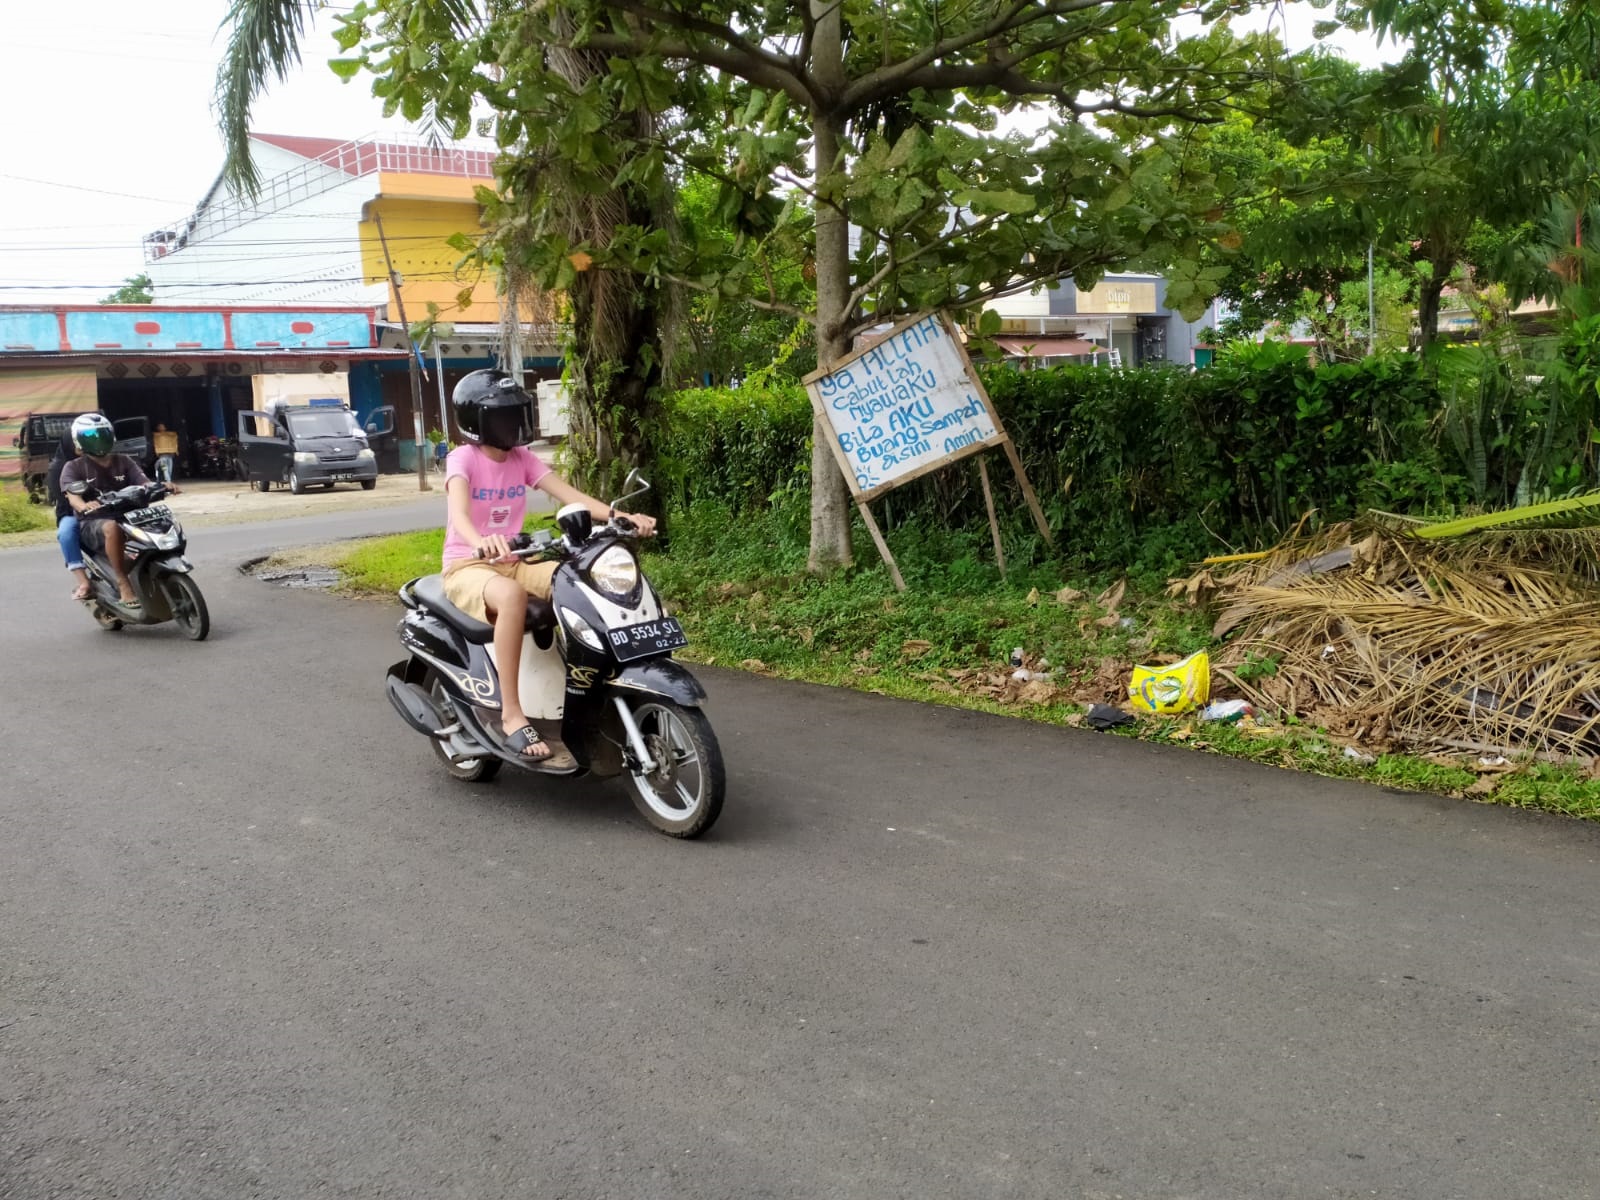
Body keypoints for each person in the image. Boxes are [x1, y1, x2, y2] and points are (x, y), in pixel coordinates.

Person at [441, 370, 656, 763]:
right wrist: (480, 541)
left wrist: (620, 515)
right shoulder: (463, 458)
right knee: (511, 596)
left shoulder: (522, 458)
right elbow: (459, 515)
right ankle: (511, 714)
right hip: (469, 565)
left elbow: (569, 496)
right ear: (478, 423)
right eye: (502, 417)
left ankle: (598, 683)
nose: (513, 425)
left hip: (517, 560)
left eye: (515, 415)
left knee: (583, 581)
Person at [59, 413, 179, 610]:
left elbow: (144, 483)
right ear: (78, 441)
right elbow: (73, 497)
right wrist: (84, 506)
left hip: (130, 517)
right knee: (112, 527)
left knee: (163, 522)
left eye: (101, 434)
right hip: (94, 522)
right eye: (90, 436)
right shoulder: (72, 467)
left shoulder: (124, 460)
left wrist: (162, 486)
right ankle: (123, 583)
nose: (97, 440)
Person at [46, 431, 89, 599]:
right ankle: (83, 581)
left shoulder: (96, 460)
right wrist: (83, 504)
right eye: (76, 442)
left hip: (106, 507)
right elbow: (62, 496)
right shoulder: (58, 466)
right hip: (71, 511)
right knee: (66, 534)